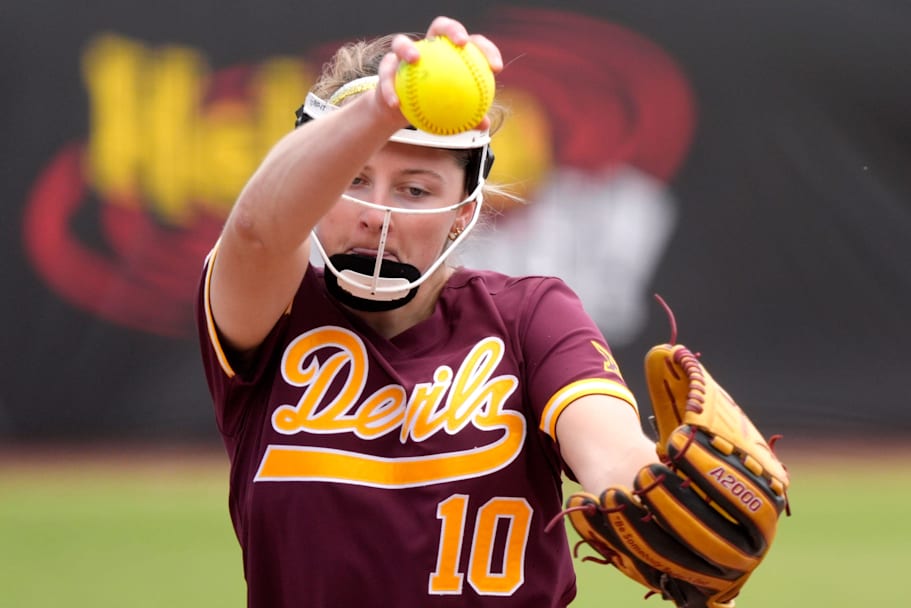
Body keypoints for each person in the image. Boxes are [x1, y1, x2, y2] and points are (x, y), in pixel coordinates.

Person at [196, 16, 660, 608]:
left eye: (415, 189)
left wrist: (651, 492)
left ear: (462, 213)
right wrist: (379, 112)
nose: (375, 212)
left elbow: (611, 448)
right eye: (353, 178)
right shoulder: (273, 314)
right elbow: (260, 232)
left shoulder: (529, 317)